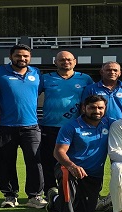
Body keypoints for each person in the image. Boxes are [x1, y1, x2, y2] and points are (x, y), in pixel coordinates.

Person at [0, 44, 46, 209]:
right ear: (10, 56)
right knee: (5, 162)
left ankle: (35, 196)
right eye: (18, 55)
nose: (22, 59)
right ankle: (10, 196)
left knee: (35, 161)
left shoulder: (36, 73)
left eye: (25, 56)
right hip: (5, 126)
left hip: (31, 126)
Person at [47, 95, 111, 212]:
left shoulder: (110, 124)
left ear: (105, 109)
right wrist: (72, 166)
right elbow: (58, 152)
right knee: (67, 175)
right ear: (84, 108)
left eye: (100, 108)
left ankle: (55, 198)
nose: (97, 111)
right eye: (92, 107)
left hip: (93, 174)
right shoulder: (71, 126)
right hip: (70, 168)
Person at [39, 51, 94, 193]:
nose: (66, 62)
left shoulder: (85, 79)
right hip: (50, 126)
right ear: (55, 62)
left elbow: (93, 100)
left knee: (77, 159)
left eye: (69, 59)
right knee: (49, 159)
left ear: (75, 61)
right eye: (62, 60)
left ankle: (79, 188)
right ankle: (51, 190)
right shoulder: (45, 78)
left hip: (76, 127)